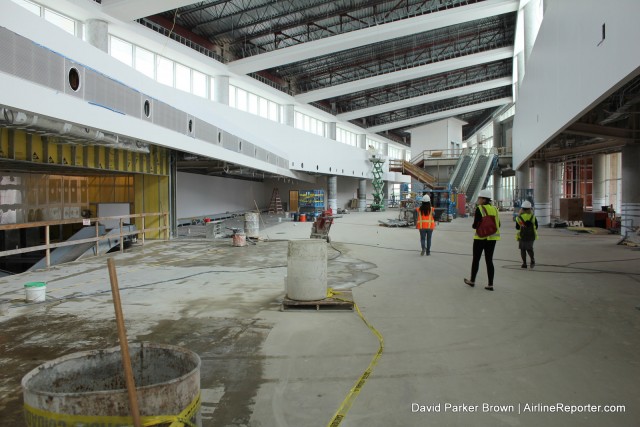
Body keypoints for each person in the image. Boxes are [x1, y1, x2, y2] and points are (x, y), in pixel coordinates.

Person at [464, 188, 500, 291]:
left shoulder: (480, 209)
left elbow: (475, 225)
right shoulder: (495, 209)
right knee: (489, 261)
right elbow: (499, 224)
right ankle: (490, 284)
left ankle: (472, 281)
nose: (478, 200)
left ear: (484, 199)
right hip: (492, 238)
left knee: (476, 259)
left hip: (480, 238)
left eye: (479, 198)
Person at [515, 200, 538, 268]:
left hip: (522, 235)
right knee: (530, 249)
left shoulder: (518, 218)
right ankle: (532, 260)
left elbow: (517, 227)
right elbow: (536, 226)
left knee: (523, 249)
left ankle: (524, 263)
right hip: (531, 236)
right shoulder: (533, 217)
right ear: (530, 209)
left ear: (522, 209)